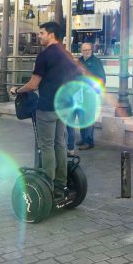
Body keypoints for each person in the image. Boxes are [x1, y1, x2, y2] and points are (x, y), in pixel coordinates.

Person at [14, 22, 81, 198]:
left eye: (42, 33)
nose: (39, 36)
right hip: (64, 107)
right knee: (60, 144)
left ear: (51, 35)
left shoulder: (44, 56)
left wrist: (17, 90)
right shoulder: (67, 55)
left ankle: (48, 185)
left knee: (46, 146)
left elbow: (33, 84)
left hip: (47, 107)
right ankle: (61, 183)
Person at [66, 42, 106, 152]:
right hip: (80, 94)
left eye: (88, 50)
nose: (86, 52)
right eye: (84, 50)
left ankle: (89, 141)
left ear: (91, 50)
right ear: (81, 51)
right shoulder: (79, 61)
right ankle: (83, 139)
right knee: (82, 117)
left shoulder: (96, 62)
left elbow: (102, 78)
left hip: (90, 94)